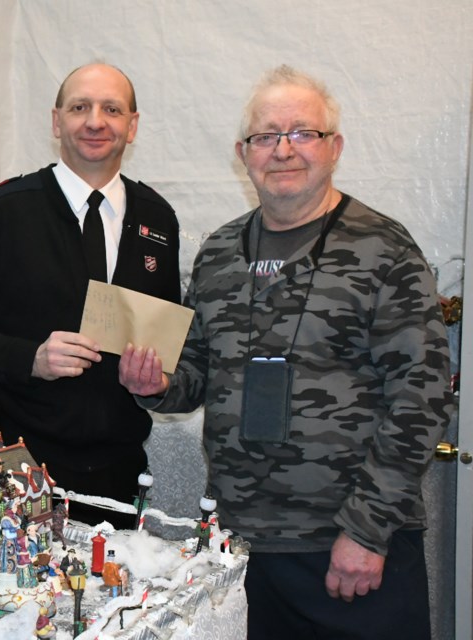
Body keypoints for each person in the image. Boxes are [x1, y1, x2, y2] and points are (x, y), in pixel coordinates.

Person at [118, 64, 453, 639]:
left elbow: (420, 399)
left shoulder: (384, 249)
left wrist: (368, 531)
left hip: (350, 547)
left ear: (334, 147)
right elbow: (197, 369)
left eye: (303, 133)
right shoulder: (221, 250)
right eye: (266, 136)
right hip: (243, 545)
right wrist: (158, 385)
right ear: (243, 153)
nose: (284, 149)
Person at [0, 63, 181, 529]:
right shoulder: (0, 212)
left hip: (118, 468)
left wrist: (156, 378)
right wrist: (30, 358)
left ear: (133, 125)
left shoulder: (158, 220)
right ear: (56, 121)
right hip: (17, 462)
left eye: (112, 109)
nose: (95, 121)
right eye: (79, 107)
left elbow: (164, 338)